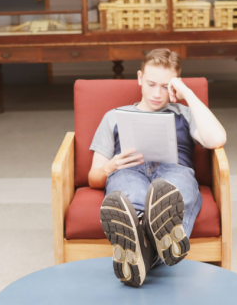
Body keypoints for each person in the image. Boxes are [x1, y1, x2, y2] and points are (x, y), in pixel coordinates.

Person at [88, 48, 227, 287]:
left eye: (165, 86)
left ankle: (140, 247)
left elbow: (217, 139)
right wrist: (110, 167)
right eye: (151, 84)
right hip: (129, 171)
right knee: (126, 191)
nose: (157, 93)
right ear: (140, 78)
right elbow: (93, 177)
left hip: (174, 171)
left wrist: (188, 94)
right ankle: (156, 237)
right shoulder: (114, 117)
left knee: (174, 187)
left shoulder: (185, 113)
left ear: (175, 84)